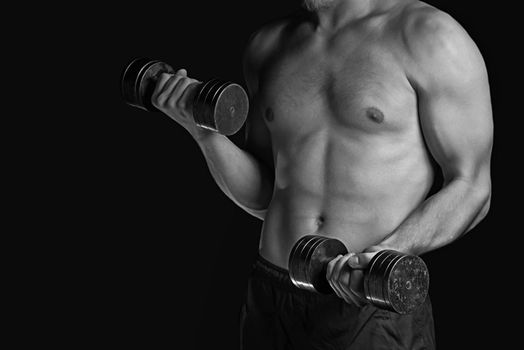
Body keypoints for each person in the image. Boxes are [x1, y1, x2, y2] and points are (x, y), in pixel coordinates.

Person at [150, 0, 492, 348]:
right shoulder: (268, 45)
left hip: (368, 301)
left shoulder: (429, 36)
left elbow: (472, 186)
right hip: (272, 299)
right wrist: (204, 134)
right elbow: (268, 195)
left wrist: (386, 254)